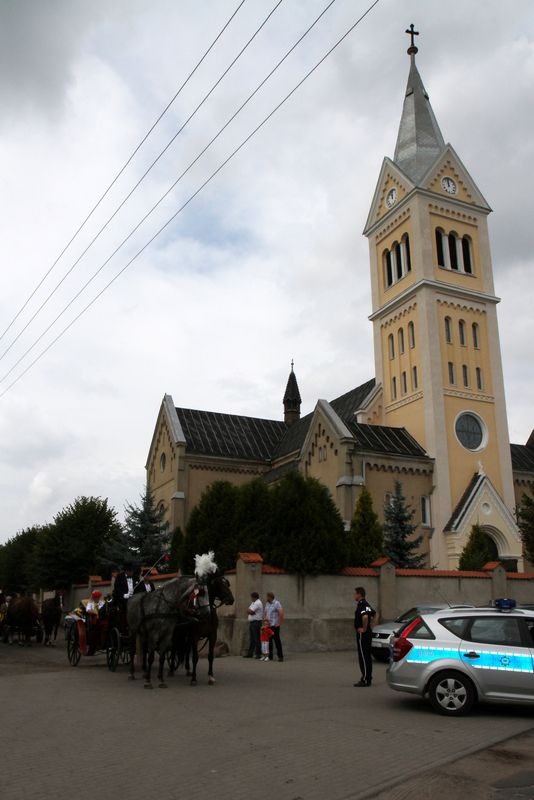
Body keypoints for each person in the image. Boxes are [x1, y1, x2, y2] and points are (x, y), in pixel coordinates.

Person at [353, 586, 373, 687]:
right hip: (368, 633)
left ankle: (365, 679)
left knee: (363, 657)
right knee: (367, 656)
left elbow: (365, 617)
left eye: (355, 593)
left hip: (363, 634)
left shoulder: (361, 604)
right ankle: (368, 677)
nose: (354, 595)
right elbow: (375, 614)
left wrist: (364, 629)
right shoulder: (367, 604)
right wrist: (371, 626)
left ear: (359, 594)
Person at [264, 591, 284, 661]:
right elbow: (266, 612)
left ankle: (280, 656)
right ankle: (270, 656)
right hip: (268, 626)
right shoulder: (267, 604)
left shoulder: (276, 603)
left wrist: (279, 623)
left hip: (275, 626)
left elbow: (281, 612)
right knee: (269, 641)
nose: (266, 598)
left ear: (270, 597)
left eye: (267, 596)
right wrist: (265, 622)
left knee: (277, 641)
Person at [243, 591, 263, 659]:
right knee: (252, 639)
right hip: (252, 623)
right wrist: (250, 611)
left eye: (251, 597)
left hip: (256, 622)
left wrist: (250, 611)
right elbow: (248, 610)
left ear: (254, 597)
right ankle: (250, 653)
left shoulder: (257, 603)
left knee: (256, 638)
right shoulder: (253, 602)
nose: (251, 598)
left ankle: (258, 654)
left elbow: (250, 611)